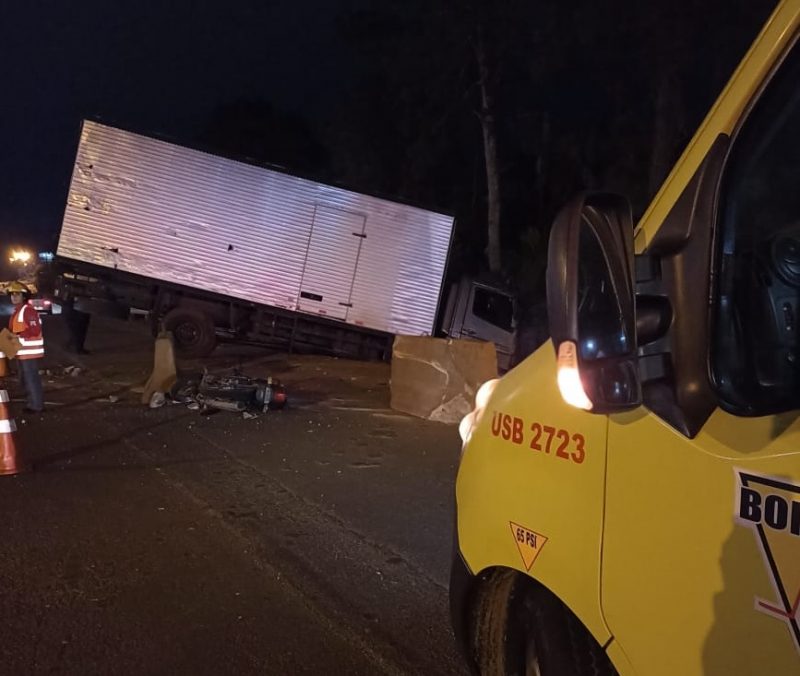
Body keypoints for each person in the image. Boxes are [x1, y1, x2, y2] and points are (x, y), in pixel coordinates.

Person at [6, 282, 45, 413]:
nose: (14, 297)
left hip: (29, 352)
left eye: (17, 294)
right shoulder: (18, 311)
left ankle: (36, 406)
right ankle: (31, 402)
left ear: (24, 296)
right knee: (25, 378)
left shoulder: (27, 311)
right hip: (22, 352)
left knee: (31, 378)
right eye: (12, 294)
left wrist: (15, 335)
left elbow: (34, 330)